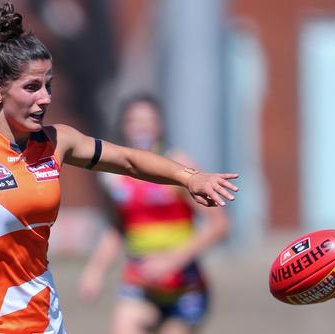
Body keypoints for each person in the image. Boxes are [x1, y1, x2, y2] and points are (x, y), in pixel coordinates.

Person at [0, 1, 239, 334]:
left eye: (48, 85)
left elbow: (127, 159)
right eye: (32, 87)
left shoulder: (56, 141)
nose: (45, 98)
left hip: (49, 322)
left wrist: (190, 178)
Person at [77, 95, 230, 334]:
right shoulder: (112, 177)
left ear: (160, 126)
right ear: (124, 126)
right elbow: (117, 228)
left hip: (184, 286)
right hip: (140, 284)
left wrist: (172, 260)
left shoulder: (179, 167)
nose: (142, 127)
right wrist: (95, 270)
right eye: (135, 121)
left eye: (149, 121)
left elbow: (219, 224)